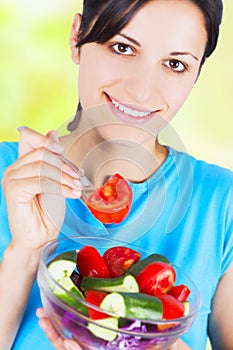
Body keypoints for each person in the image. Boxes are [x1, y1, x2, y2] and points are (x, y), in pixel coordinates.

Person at [0, 0, 232, 349]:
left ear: (197, 72)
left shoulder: (222, 203)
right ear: (77, 36)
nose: (141, 91)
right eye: (122, 48)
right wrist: (25, 252)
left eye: (175, 64)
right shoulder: (9, 175)